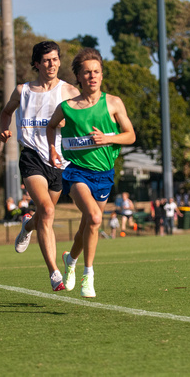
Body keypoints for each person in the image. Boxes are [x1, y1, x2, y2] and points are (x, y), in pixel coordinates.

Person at [47, 47, 135, 297]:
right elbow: (51, 127)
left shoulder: (114, 103)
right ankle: (89, 275)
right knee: (96, 219)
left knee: (86, 227)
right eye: (86, 72)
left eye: (96, 71)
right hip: (76, 173)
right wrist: (53, 150)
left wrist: (107, 139)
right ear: (79, 77)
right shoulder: (67, 107)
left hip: (105, 174)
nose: (92, 76)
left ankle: (71, 261)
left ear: (102, 75)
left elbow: (130, 136)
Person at [0, 41, 80, 292]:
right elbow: (6, 113)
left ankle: (27, 225)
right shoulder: (23, 91)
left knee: (44, 214)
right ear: (36, 63)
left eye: (55, 59)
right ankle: (54, 272)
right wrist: (2, 129)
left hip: (59, 161)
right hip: (32, 156)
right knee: (46, 208)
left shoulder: (69, 91)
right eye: (46, 60)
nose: (52, 64)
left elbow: (83, 117)